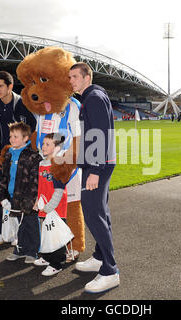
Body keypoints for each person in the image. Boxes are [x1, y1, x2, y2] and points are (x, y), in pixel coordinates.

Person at [69, 62, 119, 293]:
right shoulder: (92, 97)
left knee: (93, 214)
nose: (71, 81)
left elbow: (100, 134)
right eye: (70, 77)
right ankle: (100, 258)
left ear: (87, 77)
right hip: (96, 163)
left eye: (75, 77)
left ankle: (110, 271)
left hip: (97, 165)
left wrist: (95, 171)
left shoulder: (94, 98)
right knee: (100, 212)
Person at [0, 71, 37, 246]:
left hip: (19, 158)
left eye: (1, 86)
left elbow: (32, 130)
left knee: (18, 195)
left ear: (10, 86)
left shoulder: (22, 105)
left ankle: (18, 232)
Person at [0, 121, 41, 263]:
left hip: (28, 198)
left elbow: (35, 181)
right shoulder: (9, 155)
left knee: (30, 225)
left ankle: (33, 251)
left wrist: (30, 200)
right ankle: (20, 249)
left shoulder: (33, 157)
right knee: (18, 225)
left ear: (25, 138)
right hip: (12, 197)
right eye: (11, 136)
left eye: (16, 136)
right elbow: (4, 177)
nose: (12, 139)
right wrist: (2, 196)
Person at [33, 133, 70, 276]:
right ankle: (47, 258)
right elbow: (40, 187)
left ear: (57, 147)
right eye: (43, 144)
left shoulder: (58, 164)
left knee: (56, 236)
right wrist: (37, 201)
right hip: (45, 207)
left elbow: (59, 191)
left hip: (56, 209)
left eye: (48, 144)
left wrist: (50, 206)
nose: (43, 146)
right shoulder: (41, 164)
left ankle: (57, 263)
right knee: (46, 234)